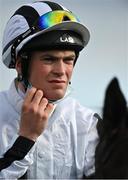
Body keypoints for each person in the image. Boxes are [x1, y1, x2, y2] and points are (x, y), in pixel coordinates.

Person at [0, 1, 99, 179]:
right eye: (49, 59)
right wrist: (26, 138)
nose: (61, 71)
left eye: (68, 60)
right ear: (21, 65)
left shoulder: (89, 124)